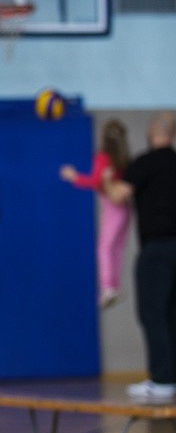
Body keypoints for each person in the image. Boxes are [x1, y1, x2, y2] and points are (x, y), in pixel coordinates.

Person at [102, 111, 176, 402]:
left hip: (156, 250)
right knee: (172, 313)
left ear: (152, 132)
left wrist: (106, 179)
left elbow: (118, 195)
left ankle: (162, 379)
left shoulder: (144, 163)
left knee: (153, 313)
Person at [60, 118, 131, 308]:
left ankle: (108, 286)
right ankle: (114, 285)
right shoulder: (124, 160)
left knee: (105, 247)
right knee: (116, 247)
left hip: (112, 206)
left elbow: (95, 181)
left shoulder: (103, 158)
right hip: (124, 208)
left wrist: (74, 176)